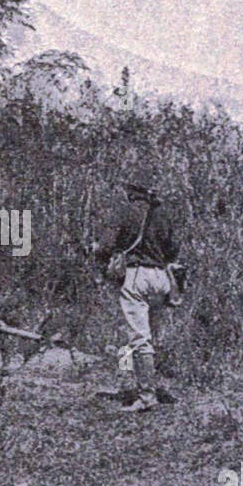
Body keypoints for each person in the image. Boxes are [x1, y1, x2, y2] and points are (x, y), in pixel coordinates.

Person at [107, 164, 180, 412]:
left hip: (137, 275)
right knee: (154, 335)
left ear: (134, 191)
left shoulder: (130, 213)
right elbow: (173, 249)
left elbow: (111, 245)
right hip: (162, 278)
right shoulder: (164, 213)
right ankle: (153, 386)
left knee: (139, 338)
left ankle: (147, 396)